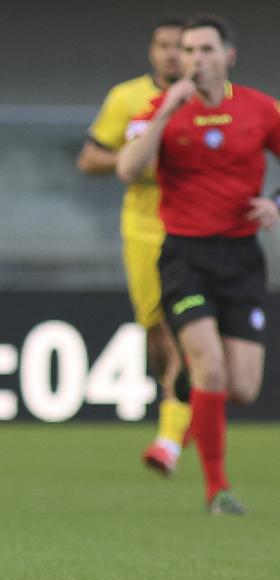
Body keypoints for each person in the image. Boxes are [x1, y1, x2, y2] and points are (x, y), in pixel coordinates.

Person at [117, 13, 280, 514]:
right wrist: (166, 112)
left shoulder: (259, 108)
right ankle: (217, 490)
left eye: (206, 50)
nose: (195, 59)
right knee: (209, 367)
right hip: (185, 255)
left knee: (244, 387)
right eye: (188, 51)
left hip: (241, 257)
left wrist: (276, 202)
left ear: (227, 57)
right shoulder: (158, 108)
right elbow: (126, 169)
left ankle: (188, 410)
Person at [77, 17, 191, 475]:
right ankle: (179, 405)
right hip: (142, 231)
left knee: (185, 329)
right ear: (152, 51)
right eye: (163, 45)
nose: (171, 54)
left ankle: (169, 436)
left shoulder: (208, 100)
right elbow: (89, 159)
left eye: (180, 47)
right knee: (157, 333)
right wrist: (132, 159)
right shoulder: (127, 97)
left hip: (192, 231)